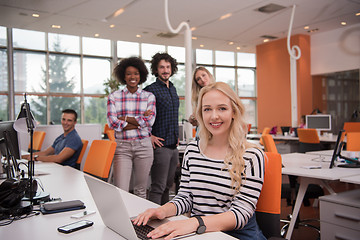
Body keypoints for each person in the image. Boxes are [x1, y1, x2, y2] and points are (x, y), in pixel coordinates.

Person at [133, 82, 265, 240]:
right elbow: (186, 196)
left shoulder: (251, 155)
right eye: (207, 109)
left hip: (236, 236)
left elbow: (241, 214)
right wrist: (162, 211)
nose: (214, 116)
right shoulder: (193, 150)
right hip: (199, 233)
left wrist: (193, 223)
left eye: (222, 108)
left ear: (234, 112)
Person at [107, 57, 156, 199]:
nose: (132, 77)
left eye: (136, 73)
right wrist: (140, 120)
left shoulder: (149, 96)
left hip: (144, 146)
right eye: (129, 73)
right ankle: (123, 221)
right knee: (121, 190)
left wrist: (126, 118)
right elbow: (113, 124)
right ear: (123, 76)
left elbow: (150, 122)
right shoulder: (114, 96)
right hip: (122, 148)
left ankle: (140, 220)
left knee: (141, 190)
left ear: (141, 75)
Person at [143, 52, 179, 205]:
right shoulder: (150, 90)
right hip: (160, 146)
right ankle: (153, 220)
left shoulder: (173, 89)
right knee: (158, 186)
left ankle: (164, 218)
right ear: (156, 70)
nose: (165, 70)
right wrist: (148, 136)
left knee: (168, 185)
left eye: (168, 67)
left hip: (173, 145)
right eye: (162, 67)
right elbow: (140, 117)